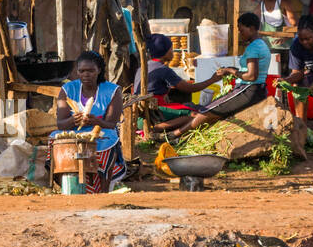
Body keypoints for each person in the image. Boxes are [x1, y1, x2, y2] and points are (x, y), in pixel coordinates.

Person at [166, 12, 271, 139]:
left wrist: (230, 71)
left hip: (249, 90)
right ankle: (181, 136)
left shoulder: (254, 48)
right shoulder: (261, 45)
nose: (240, 34)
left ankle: (173, 136)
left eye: (242, 30)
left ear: (252, 29)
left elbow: (251, 76)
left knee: (209, 111)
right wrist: (232, 69)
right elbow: (251, 71)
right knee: (209, 110)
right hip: (256, 89)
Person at [53, 51, 126, 192]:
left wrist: (95, 122)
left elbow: (111, 124)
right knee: (54, 140)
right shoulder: (68, 89)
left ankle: (102, 189)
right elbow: (60, 124)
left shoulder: (112, 90)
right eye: (82, 71)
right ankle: (68, 186)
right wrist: (72, 120)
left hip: (102, 132)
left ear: (99, 70)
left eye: (91, 71)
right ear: (77, 71)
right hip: (73, 131)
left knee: (106, 144)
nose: (86, 74)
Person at [133, 33, 224, 123]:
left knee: (189, 105)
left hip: (142, 114)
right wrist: (213, 79)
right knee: (198, 115)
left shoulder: (143, 67)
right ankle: (166, 132)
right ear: (164, 52)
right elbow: (190, 89)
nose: (173, 52)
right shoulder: (163, 69)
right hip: (154, 112)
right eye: (171, 49)